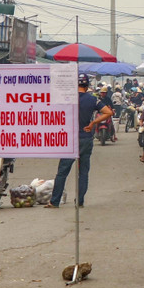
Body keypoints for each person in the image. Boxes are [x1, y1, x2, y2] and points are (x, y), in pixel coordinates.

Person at [46, 73, 113, 208]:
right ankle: (80, 201)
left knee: (62, 172)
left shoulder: (66, 99)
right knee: (83, 172)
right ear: (87, 85)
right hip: (86, 138)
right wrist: (93, 122)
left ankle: (54, 201)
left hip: (70, 140)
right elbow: (108, 112)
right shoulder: (93, 99)